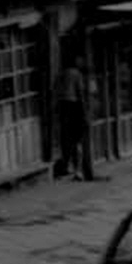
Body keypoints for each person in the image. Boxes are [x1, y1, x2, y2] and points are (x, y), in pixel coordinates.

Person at [54, 51, 95, 181]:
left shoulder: (60, 75)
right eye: (80, 60)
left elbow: (55, 92)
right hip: (74, 108)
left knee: (66, 140)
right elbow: (81, 95)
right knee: (77, 141)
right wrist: (85, 114)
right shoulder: (77, 74)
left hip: (62, 108)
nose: (81, 62)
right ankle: (78, 171)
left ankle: (67, 167)